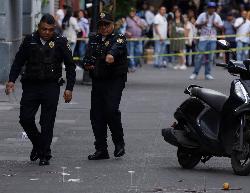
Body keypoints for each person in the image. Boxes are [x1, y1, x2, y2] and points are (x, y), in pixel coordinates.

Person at [5, 14, 76, 166]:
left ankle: (44, 154)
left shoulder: (60, 42)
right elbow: (18, 61)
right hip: (31, 86)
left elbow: (70, 66)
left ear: (54, 29)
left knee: (47, 122)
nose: (47, 32)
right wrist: (11, 80)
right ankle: (39, 145)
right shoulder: (29, 40)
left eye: (50, 30)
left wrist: (69, 88)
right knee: (25, 119)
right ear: (38, 27)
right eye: (44, 29)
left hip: (51, 86)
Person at [83, 12, 128, 160]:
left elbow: (115, 49)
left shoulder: (119, 38)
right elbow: (87, 58)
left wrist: (110, 55)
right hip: (98, 79)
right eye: (101, 25)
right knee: (96, 114)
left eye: (106, 24)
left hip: (114, 80)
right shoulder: (94, 39)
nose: (103, 27)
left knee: (111, 110)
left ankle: (119, 143)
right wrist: (87, 64)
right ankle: (101, 149)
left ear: (113, 25)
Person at [189, 2, 223, 80]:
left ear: (214, 9)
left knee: (210, 57)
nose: (211, 9)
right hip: (203, 39)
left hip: (212, 39)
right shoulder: (202, 15)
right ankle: (195, 73)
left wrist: (216, 25)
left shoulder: (217, 16)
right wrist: (203, 23)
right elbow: (196, 25)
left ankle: (207, 73)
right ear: (207, 8)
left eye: (213, 8)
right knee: (199, 56)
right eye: (210, 8)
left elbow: (221, 27)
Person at [125, 8, 146, 72]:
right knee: (131, 53)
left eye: (133, 11)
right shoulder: (127, 19)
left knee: (139, 51)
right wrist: (127, 32)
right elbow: (123, 29)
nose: (132, 13)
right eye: (131, 12)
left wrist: (139, 23)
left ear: (135, 12)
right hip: (130, 39)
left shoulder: (139, 18)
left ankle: (135, 63)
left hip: (138, 38)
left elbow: (144, 27)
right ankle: (133, 66)